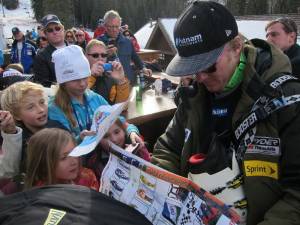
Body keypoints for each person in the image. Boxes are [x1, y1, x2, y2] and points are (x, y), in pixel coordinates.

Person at [151, 1, 300, 225]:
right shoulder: (193, 95)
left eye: (209, 65)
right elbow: (168, 149)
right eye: (191, 67)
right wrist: (159, 191)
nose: (199, 76)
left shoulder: (287, 99)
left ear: (237, 46)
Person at [48, 45, 142, 146]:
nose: (82, 84)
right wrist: (80, 139)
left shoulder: (95, 98)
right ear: (63, 82)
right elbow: (59, 146)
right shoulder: (55, 108)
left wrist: (132, 132)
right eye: (75, 80)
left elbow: (119, 121)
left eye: (85, 77)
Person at [0, 82, 66, 184]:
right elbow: (11, 170)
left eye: (42, 102)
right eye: (31, 107)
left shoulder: (56, 125)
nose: (41, 109)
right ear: (16, 115)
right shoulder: (17, 139)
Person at [25, 128, 99, 191]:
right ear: (43, 164)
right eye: (63, 158)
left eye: (74, 152)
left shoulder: (87, 177)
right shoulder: (38, 197)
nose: (74, 161)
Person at [98, 10, 152, 84]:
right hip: (106, 87)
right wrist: (105, 55)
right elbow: (92, 65)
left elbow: (135, 58)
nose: (114, 30)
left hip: (126, 83)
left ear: (120, 26)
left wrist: (143, 68)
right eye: (111, 26)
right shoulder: (98, 43)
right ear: (105, 26)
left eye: (116, 26)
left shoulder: (127, 41)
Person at [86, 39, 130, 104]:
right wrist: (91, 76)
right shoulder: (79, 77)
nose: (100, 58)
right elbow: (77, 100)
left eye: (103, 55)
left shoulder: (111, 77)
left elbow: (122, 106)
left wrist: (121, 81)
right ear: (86, 57)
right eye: (95, 55)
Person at [33, 14, 67, 87]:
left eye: (57, 28)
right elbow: (43, 85)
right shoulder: (41, 56)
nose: (55, 32)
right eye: (50, 30)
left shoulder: (76, 49)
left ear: (63, 29)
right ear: (45, 34)